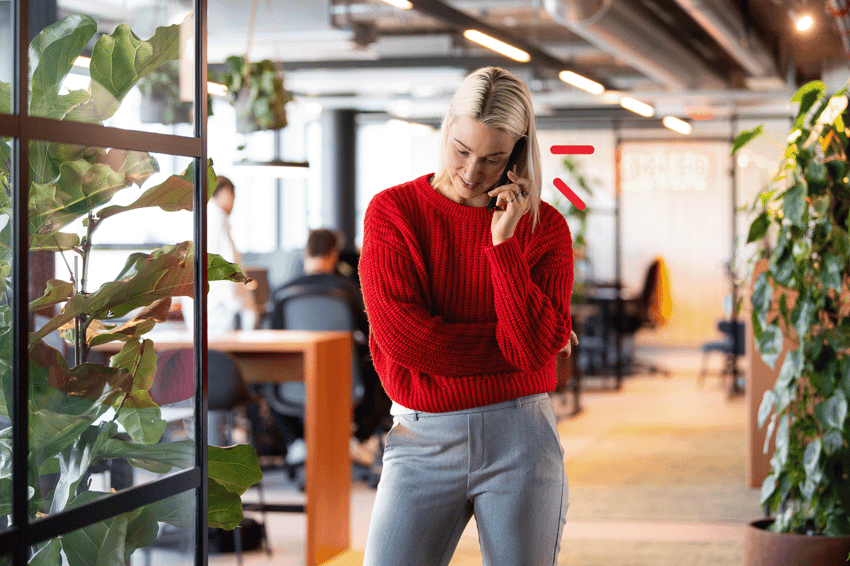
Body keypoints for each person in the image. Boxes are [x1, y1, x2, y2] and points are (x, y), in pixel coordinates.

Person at [359, 66, 579, 566]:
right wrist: (521, 348)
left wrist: (503, 244)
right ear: (447, 128)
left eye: (494, 158)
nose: (473, 172)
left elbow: (527, 350)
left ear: (518, 153)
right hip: (421, 437)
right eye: (462, 150)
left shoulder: (545, 231)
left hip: (521, 439)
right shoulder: (394, 213)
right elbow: (406, 341)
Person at [265, 228, 391, 467]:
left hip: (296, 384)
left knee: (264, 375)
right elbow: (373, 335)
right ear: (334, 254)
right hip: (346, 382)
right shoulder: (350, 291)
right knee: (379, 366)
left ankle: (297, 442)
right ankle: (357, 439)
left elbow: (272, 340)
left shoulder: (282, 293)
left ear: (306, 253)